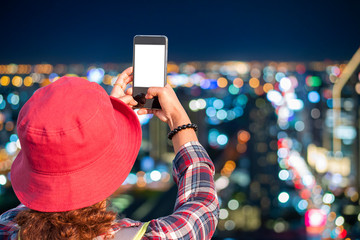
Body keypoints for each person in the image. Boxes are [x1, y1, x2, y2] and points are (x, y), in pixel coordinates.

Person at [0, 67, 219, 240]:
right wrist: (179, 121)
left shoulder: (7, 227)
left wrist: (105, 118)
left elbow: (46, 193)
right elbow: (202, 207)